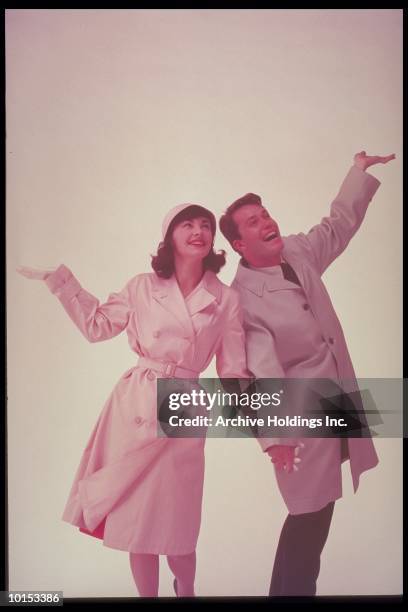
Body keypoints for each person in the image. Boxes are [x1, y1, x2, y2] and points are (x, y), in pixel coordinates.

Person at [17, 203, 248, 598]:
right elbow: (97, 326)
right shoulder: (142, 286)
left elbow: (234, 367)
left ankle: (186, 590)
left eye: (206, 226)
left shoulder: (225, 298)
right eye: (188, 224)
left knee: (178, 523)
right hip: (136, 402)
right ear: (170, 236)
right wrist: (61, 282)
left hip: (185, 406)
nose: (199, 231)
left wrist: (263, 410)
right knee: (139, 520)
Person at [219, 151, 395, 596]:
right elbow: (261, 371)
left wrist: (357, 173)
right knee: (308, 517)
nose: (266, 223)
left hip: (336, 400)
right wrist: (275, 437)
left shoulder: (297, 250)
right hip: (302, 419)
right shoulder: (244, 299)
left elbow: (336, 227)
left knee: (315, 518)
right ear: (239, 244)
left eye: (265, 214)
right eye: (253, 222)